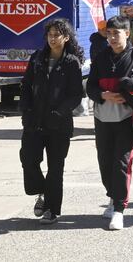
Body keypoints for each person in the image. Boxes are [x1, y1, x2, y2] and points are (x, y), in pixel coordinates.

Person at [87, 15, 133, 230]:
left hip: (127, 119)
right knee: (105, 162)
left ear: (127, 34)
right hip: (102, 118)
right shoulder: (100, 58)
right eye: (109, 33)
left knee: (121, 162)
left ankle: (119, 209)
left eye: (117, 33)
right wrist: (103, 95)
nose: (113, 37)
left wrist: (129, 95)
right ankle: (112, 196)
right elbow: (90, 87)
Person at [19, 18, 84, 225]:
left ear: (66, 38)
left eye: (57, 35)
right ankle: (41, 191)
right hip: (34, 122)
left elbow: (76, 95)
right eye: (50, 34)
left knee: (56, 168)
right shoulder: (37, 58)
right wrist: (25, 111)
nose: (52, 38)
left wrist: (60, 112)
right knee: (28, 159)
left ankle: (52, 210)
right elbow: (26, 86)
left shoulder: (71, 62)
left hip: (59, 125)